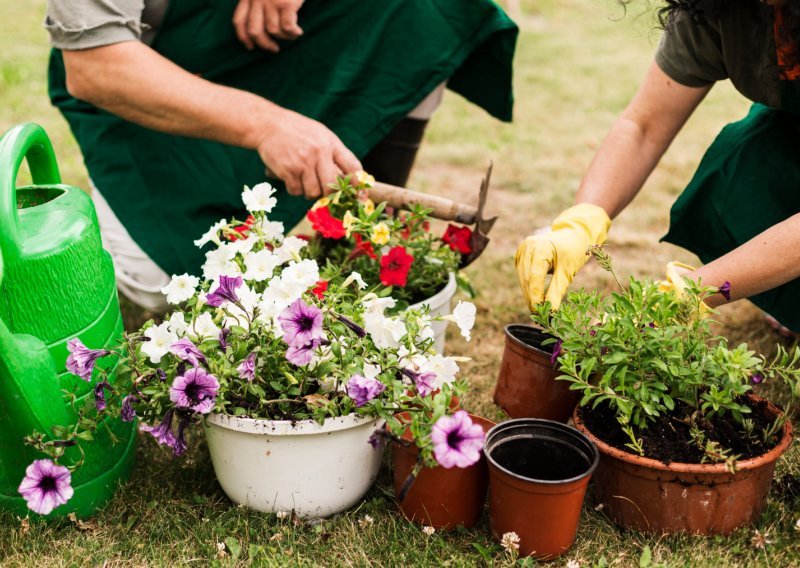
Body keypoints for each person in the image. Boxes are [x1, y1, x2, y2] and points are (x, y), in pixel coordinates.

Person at [45, 0, 518, 310]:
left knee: (427, 9)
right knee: (166, 282)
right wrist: (268, 125)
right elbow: (96, 66)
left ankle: (366, 243)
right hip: (149, 77)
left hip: (265, 33)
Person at [516, 0, 800, 333]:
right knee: (742, 170)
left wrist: (691, 292)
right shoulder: (718, 7)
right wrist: (581, 222)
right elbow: (644, 126)